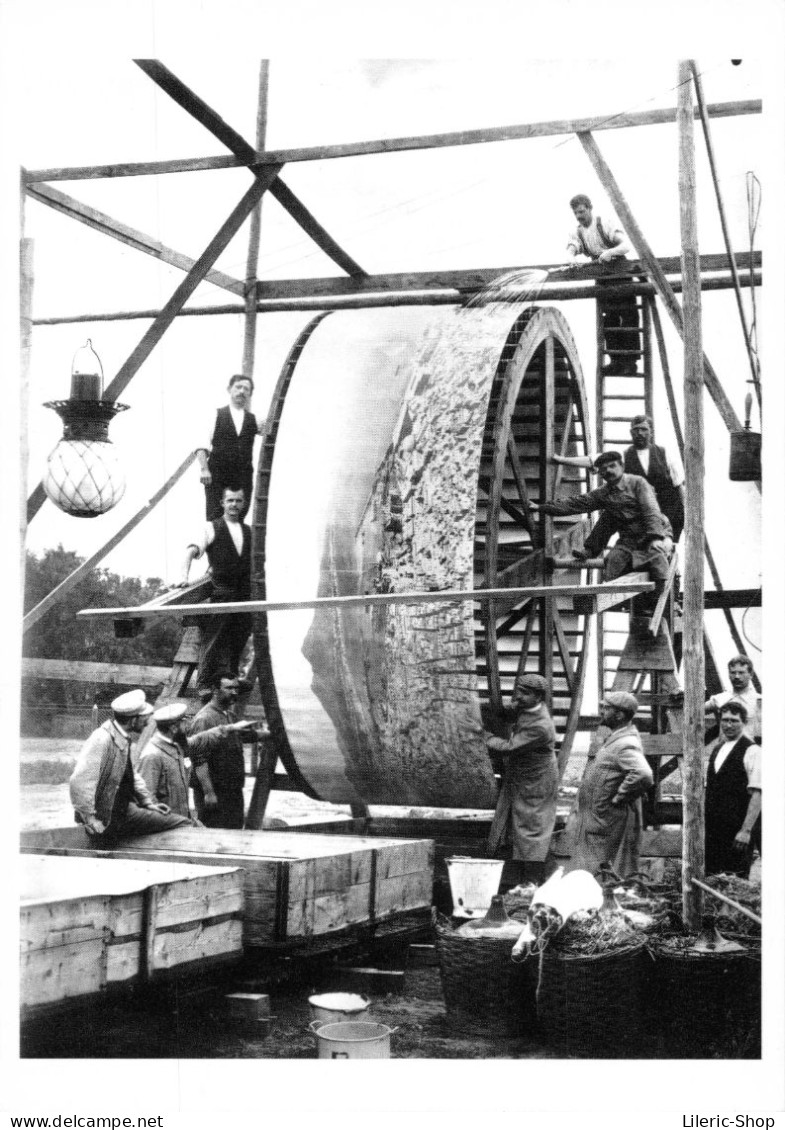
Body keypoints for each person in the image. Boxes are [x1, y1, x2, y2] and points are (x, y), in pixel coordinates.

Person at [533, 450, 673, 612]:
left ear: (621, 466)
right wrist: (542, 507)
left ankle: (658, 599)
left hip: (655, 530)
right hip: (630, 539)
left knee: (656, 559)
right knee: (613, 561)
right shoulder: (603, 493)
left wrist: (656, 538)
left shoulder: (638, 483)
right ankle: (593, 555)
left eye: (612, 466)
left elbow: (651, 511)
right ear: (600, 473)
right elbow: (577, 503)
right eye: (604, 469)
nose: (609, 471)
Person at [70, 689, 192, 843]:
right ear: (133, 721)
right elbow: (80, 781)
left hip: (122, 809)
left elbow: (133, 776)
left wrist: (149, 804)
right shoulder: (102, 739)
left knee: (177, 821)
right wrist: (90, 818)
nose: (148, 722)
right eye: (144, 718)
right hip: (109, 814)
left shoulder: (121, 737)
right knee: (183, 823)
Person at [552, 415, 685, 543]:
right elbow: (594, 460)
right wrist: (562, 460)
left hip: (666, 511)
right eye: (636, 430)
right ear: (631, 433)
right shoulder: (624, 456)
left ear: (651, 432)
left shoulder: (666, 455)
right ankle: (591, 548)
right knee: (611, 511)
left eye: (644, 429)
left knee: (664, 544)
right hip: (639, 511)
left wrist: (684, 518)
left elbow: (679, 488)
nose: (639, 433)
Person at [565, 691, 653, 878]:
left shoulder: (625, 743)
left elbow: (643, 774)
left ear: (619, 714)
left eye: (606, 707)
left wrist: (620, 797)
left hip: (604, 822)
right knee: (593, 871)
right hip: (598, 820)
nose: (602, 710)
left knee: (597, 872)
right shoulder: (616, 739)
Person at [484, 673, 558, 886]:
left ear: (539, 697)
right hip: (524, 777)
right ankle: (522, 882)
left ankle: (532, 884)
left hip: (537, 782)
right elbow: (511, 711)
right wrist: (488, 710)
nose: (517, 696)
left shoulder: (541, 726)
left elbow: (509, 748)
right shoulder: (528, 708)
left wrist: (483, 736)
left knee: (532, 829)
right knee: (521, 828)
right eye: (517, 689)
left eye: (524, 693)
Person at [180, 485, 253, 696]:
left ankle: (230, 681)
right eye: (230, 500)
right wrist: (183, 577)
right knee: (214, 639)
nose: (234, 505)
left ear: (243, 504)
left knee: (240, 637)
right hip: (223, 592)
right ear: (222, 503)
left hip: (244, 594)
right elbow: (191, 551)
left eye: (238, 501)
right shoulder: (211, 527)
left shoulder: (248, 531)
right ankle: (203, 684)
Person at [139, 702, 255, 820]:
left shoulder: (176, 744)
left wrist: (232, 728)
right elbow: (147, 801)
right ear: (174, 728)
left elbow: (203, 738)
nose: (188, 725)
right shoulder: (153, 756)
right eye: (184, 722)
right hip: (166, 825)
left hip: (178, 821)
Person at [566, 194, 639, 375]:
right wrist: (570, 257)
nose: (579, 216)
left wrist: (611, 252)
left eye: (582, 211)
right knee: (609, 319)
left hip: (620, 273)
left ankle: (630, 363)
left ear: (590, 208)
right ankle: (615, 361)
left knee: (627, 317)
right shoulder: (579, 232)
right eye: (576, 213)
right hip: (602, 276)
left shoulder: (604, 224)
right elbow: (572, 246)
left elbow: (626, 246)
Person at [188, 671, 263, 828]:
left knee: (234, 832)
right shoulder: (205, 719)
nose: (234, 692)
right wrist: (209, 792)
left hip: (232, 790)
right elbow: (199, 760)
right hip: (215, 791)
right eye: (229, 688)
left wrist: (272, 735)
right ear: (215, 690)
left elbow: (244, 736)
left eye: (236, 688)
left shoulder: (229, 715)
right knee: (213, 834)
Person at [196, 374, 266, 521]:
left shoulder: (254, 420)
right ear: (229, 389)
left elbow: (271, 428)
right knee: (215, 516)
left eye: (246, 389)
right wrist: (204, 469)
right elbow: (201, 445)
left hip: (242, 476)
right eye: (238, 387)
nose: (241, 391)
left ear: (250, 394)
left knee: (238, 517)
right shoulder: (215, 414)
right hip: (217, 475)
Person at [704, 702, 761, 879]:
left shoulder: (753, 751)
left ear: (744, 722)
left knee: (734, 880)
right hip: (714, 829)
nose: (728, 725)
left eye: (734, 721)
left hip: (736, 830)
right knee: (712, 878)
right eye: (725, 720)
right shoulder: (717, 748)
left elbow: (758, 794)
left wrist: (745, 831)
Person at [705, 654, 761, 742]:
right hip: (725, 752)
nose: (737, 676)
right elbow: (694, 712)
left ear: (751, 674)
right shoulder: (720, 699)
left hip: (748, 752)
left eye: (741, 672)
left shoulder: (759, 701)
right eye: (733, 672)